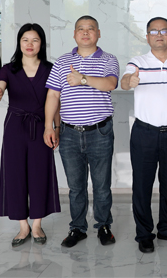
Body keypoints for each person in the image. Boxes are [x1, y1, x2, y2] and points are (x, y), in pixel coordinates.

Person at [44, 15, 120, 248]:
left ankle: (104, 225)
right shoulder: (62, 61)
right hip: (69, 133)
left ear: (98, 33)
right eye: (81, 29)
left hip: (100, 132)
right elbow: (53, 95)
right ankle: (77, 228)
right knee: (76, 187)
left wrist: (83, 79)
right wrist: (49, 126)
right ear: (74, 34)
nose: (85, 32)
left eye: (90, 28)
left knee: (101, 185)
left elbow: (110, 84)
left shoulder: (109, 59)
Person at [121, 17, 167, 254]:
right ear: (147, 37)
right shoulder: (138, 62)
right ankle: (144, 234)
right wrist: (130, 80)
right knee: (142, 185)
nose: (159, 35)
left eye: (164, 31)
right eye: (154, 31)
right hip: (145, 133)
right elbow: (125, 82)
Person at [0, 23, 61, 247]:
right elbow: (0, 86)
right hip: (15, 126)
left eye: (35, 40)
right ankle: (23, 226)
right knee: (15, 174)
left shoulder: (51, 68)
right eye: (25, 40)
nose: (29, 44)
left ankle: (37, 224)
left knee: (40, 173)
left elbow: (56, 101)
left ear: (42, 44)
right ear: (19, 43)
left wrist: (56, 128)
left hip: (42, 126)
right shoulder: (9, 69)